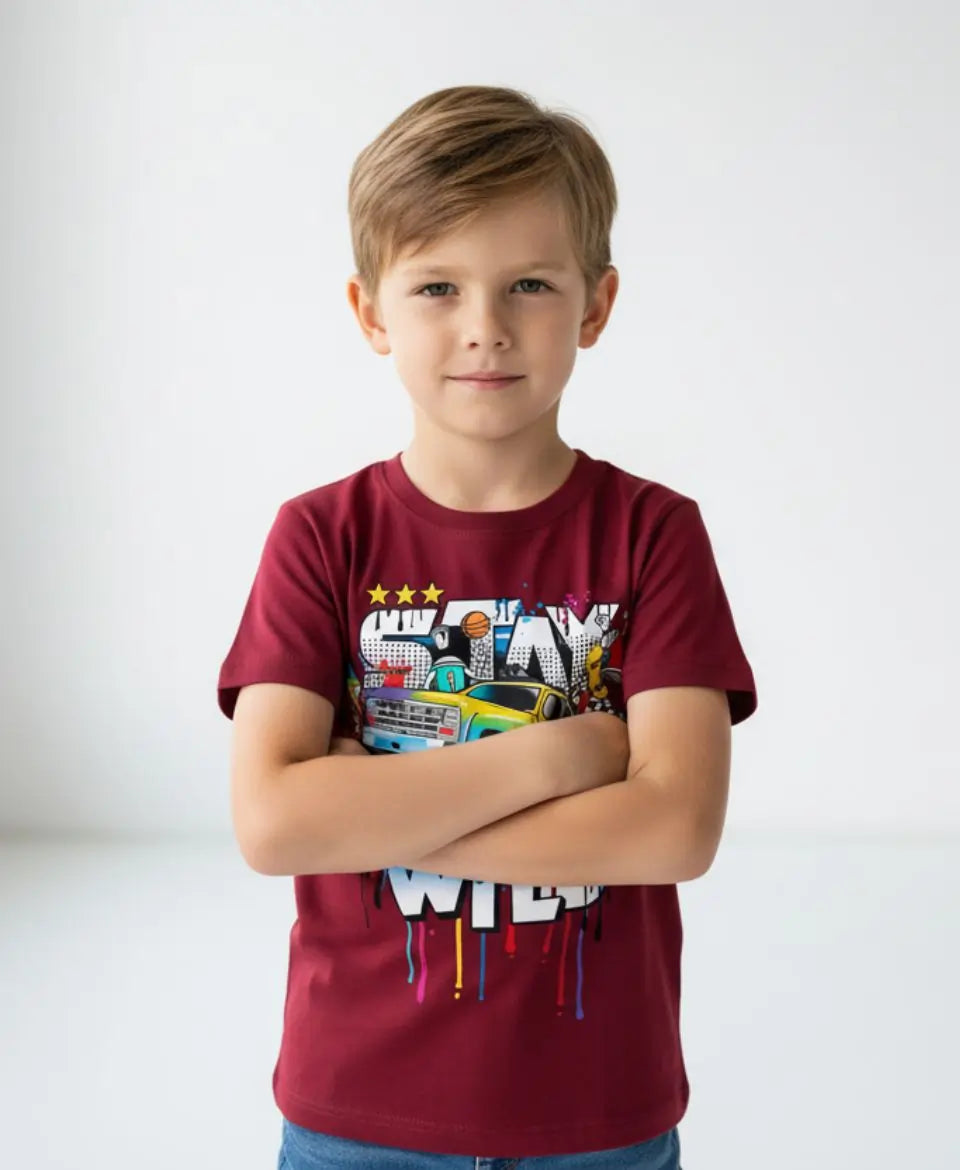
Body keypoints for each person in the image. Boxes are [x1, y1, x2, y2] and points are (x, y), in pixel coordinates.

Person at [217, 84, 758, 1170]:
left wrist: (367, 813)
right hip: (354, 1115)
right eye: (437, 286)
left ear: (596, 305)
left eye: (529, 284)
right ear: (371, 312)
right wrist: (563, 756)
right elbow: (274, 824)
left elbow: (673, 832)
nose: (485, 325)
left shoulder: (654, 534)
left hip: (598, 1120)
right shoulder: (320, 537)